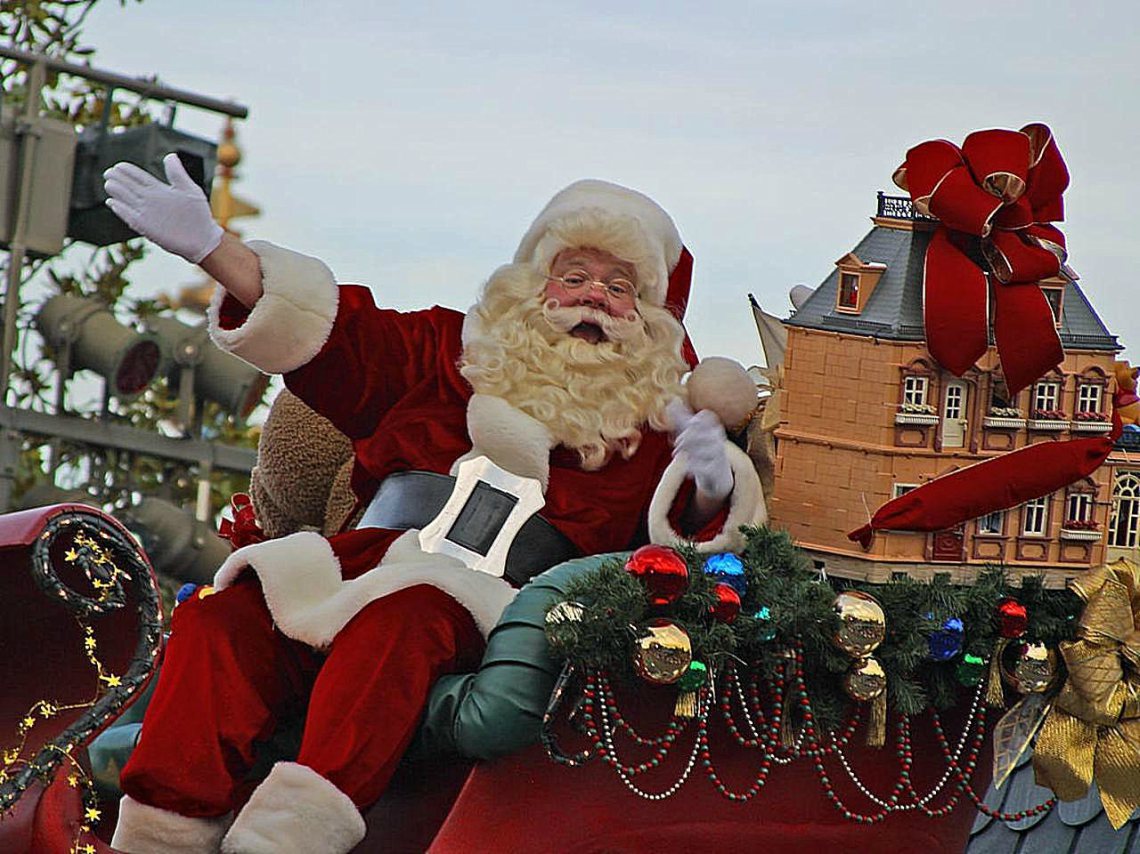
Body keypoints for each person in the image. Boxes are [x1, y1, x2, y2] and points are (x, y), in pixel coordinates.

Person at [102, 155, 765, 854]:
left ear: (649, 314)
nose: (593, 296)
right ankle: (161, 835)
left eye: (618, 285)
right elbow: (332, 339)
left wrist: (714, 483)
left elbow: (689, 544)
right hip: (356, 564)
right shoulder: (446, 352)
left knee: (404, 623)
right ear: (536, 286)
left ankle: (285, 840)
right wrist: (216, 251)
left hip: (491, 604)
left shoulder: (658, 424)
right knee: (226, 619)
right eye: (574, 276)